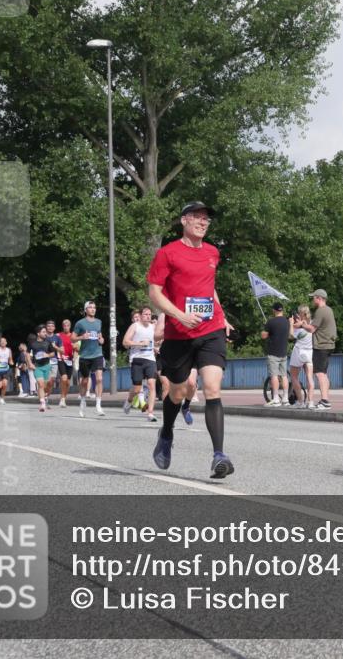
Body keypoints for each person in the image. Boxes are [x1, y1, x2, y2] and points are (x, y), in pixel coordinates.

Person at [147, 201, 236, 478]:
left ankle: (219, 455)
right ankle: (166, 433)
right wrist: (179, 316)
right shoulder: (167, 253)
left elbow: (209, 287)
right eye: (197, 217)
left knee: (212, 387)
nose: (203, 222)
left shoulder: (212, 252)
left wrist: (222, 316)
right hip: (179, 334)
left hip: (211, 329)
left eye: (206, 218)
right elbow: (154, 292)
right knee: (177, 392)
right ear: (184, 220)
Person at [302, 289, 337, 410]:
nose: (313, 299)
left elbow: (312, 329)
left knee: (320, 373)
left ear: (319, 298)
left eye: (314, 297)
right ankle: (325, 399)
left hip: (321, 345)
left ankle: (325, 401)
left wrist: (303, 325)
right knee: (324, 373)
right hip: (329, 345)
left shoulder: (320, 311)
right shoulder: (329, 310)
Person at [123, 305, 158, 422]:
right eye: (145, 314)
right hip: (137, 359)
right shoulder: (135, 326)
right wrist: (140, 344)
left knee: (151, 384)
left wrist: (156, 347)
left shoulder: (153, 327)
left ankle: (150, 413)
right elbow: (125, 342)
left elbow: (157, 340)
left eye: (149, 314)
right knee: (137, 389)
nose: (148, 316)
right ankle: (129, 401)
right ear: (141, 315)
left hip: (150, 359)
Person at [72, 301, 107, 417]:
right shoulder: (80, 323)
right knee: (85, 381)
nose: (93, 309)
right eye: (90, 307)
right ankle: (82, 401)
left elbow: (100, 336)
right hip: (85, 356)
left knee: (99, 379)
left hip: (97, 354)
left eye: (94, 307)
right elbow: (72, 338)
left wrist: (102, 340)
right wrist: (82, 337)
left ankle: (98, 405)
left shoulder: (98, 322)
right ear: (85, 310)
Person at [261, 302, 291, 407]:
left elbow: (264, 336)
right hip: (283, 352)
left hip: (273, 353)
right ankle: (285, 399)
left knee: (274, 375)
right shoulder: (287, 322)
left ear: (274, 310)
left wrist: (265, 329)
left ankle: (276, 399)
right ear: (282, 310)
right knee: (284, 376)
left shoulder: (271, 322)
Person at [28, 324, 59, 413]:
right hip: (37, 366)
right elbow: (27, 354)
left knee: (46, 385)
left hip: (46, 366)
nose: (46, 333)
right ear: (38, 333)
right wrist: (30, 363)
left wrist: (47, 355)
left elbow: (53, 353)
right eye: (44, 332)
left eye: (45, 332)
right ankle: (42, 403)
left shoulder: (48, 342)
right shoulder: (32, 343)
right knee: (40, 384)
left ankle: (44, 397)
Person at [288, 305, 314, 409]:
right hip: (309, 352)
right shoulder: (312, 323)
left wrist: (291, 324)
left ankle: (300, 401)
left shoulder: (298, 326)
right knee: (309, 377)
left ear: (300, 314)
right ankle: (310, 402)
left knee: (294, 376)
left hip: (299, 352)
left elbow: (291, 336)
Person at [56, 319, 75, 408]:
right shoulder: (58, 335)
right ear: (62, 326)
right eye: (64, 325)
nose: (66, 327)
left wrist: (76, 348)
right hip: (61, 359)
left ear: (70, 326)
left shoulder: (73, 336)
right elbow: (53, 345)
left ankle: (63, 398)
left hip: (70, 360)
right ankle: (62, 399)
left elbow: (78, 348)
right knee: (64, 378)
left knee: (67, 382)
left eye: (68, 325)